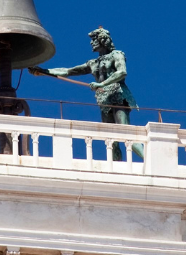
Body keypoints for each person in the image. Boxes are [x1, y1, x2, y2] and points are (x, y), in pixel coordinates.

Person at [30, 27, 142, 160]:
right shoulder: (93, 63)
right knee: (111, 139)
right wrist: (43, 71)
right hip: (104, 100)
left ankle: (148, 159)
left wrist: (101, 84)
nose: (91, 43)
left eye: (94, 40)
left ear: (102, 40)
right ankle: (116, 167)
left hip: (118, 95)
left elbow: (122, 72)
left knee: (125, 132)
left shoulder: (117, 55)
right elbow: (68, 71)